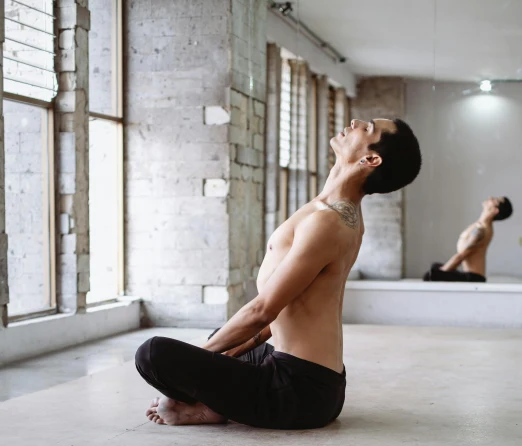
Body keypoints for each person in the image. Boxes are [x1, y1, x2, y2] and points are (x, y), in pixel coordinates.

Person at [135, 118, 422, 429]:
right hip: (316, 383)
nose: (355, 122)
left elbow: (262, 310)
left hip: (297, 393)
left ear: (371, 159)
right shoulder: (333, 211)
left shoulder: (330, 222)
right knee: (220, 337)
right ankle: (215, 402)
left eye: (366, 128)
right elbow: (281, 316)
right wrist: (217, 355)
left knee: (153, 354)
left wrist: (198, 361)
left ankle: (208, 407)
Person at [423, 197, 513, 283]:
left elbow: (461, 256)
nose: (490, 198)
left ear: (495, 210)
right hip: (470, 275)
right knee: (435, 267)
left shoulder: (481, 231)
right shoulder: (479, 225)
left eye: (495, 200)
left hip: (473, 278)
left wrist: (441, 272)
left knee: (431, 275)